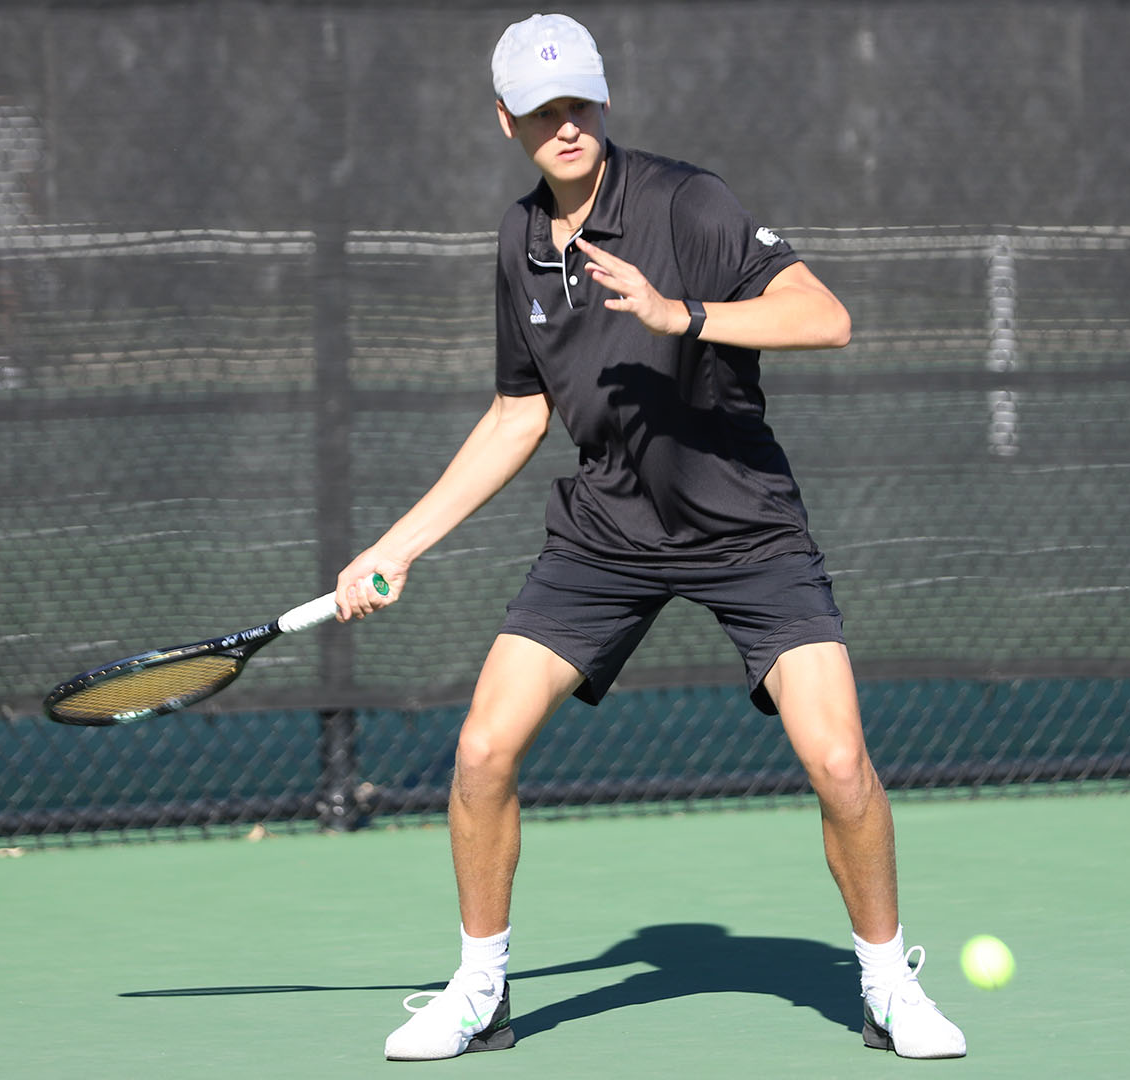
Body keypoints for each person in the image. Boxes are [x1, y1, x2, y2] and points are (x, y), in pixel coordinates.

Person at [332, 13, 966, 1062]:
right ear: (507, 122)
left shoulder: (688, 202)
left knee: (840, 759)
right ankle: (482, 990)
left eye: (579, 103)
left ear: (604, 99)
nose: (566, 126)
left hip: (747, 527)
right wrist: (396, 545)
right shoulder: (517, 243)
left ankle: (888, 983)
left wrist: (689, 316)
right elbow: (515, 416)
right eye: (543, 113)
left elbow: (827, 317)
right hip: (604, 533)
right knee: (483, 750)